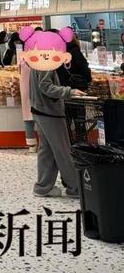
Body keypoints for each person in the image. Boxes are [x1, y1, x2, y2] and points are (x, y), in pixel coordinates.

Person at [19, 27, 85, 197]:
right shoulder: (46, 62)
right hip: (50, 112)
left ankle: (43, 186)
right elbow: (46, 87)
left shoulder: (36, 59)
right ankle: (75, 188)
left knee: (47, 151)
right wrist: (69, 91)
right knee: (62, 151)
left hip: (39, 110)